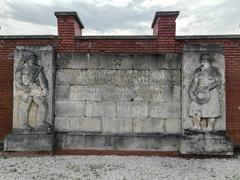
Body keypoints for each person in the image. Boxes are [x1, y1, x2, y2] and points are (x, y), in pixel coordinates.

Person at [15, 52, 49, 130]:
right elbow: (17, 80)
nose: (33, 59)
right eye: (31, 57)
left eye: (34, 58)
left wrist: (44, 87)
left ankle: (41, 123)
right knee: (24, 107)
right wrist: (23, 87)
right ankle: (23, 125)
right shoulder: (21, 68)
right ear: (27, 58)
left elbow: (42, 79)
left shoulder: (37, 68)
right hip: (25, 89)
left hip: (35, 89)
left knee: (43, 104)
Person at [189, 53, 221, 131]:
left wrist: (208, 87)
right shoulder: (198, 71)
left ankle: (210, 127)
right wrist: (193, 91)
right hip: (199, 92)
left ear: (208, 60)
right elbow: (194, 82)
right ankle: (197, 126)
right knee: (196, 109)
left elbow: (218, 82)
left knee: (211, 111)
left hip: (211, 93)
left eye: (204, 59)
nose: (202, 60)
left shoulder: (214, 70)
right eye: (201, 59)